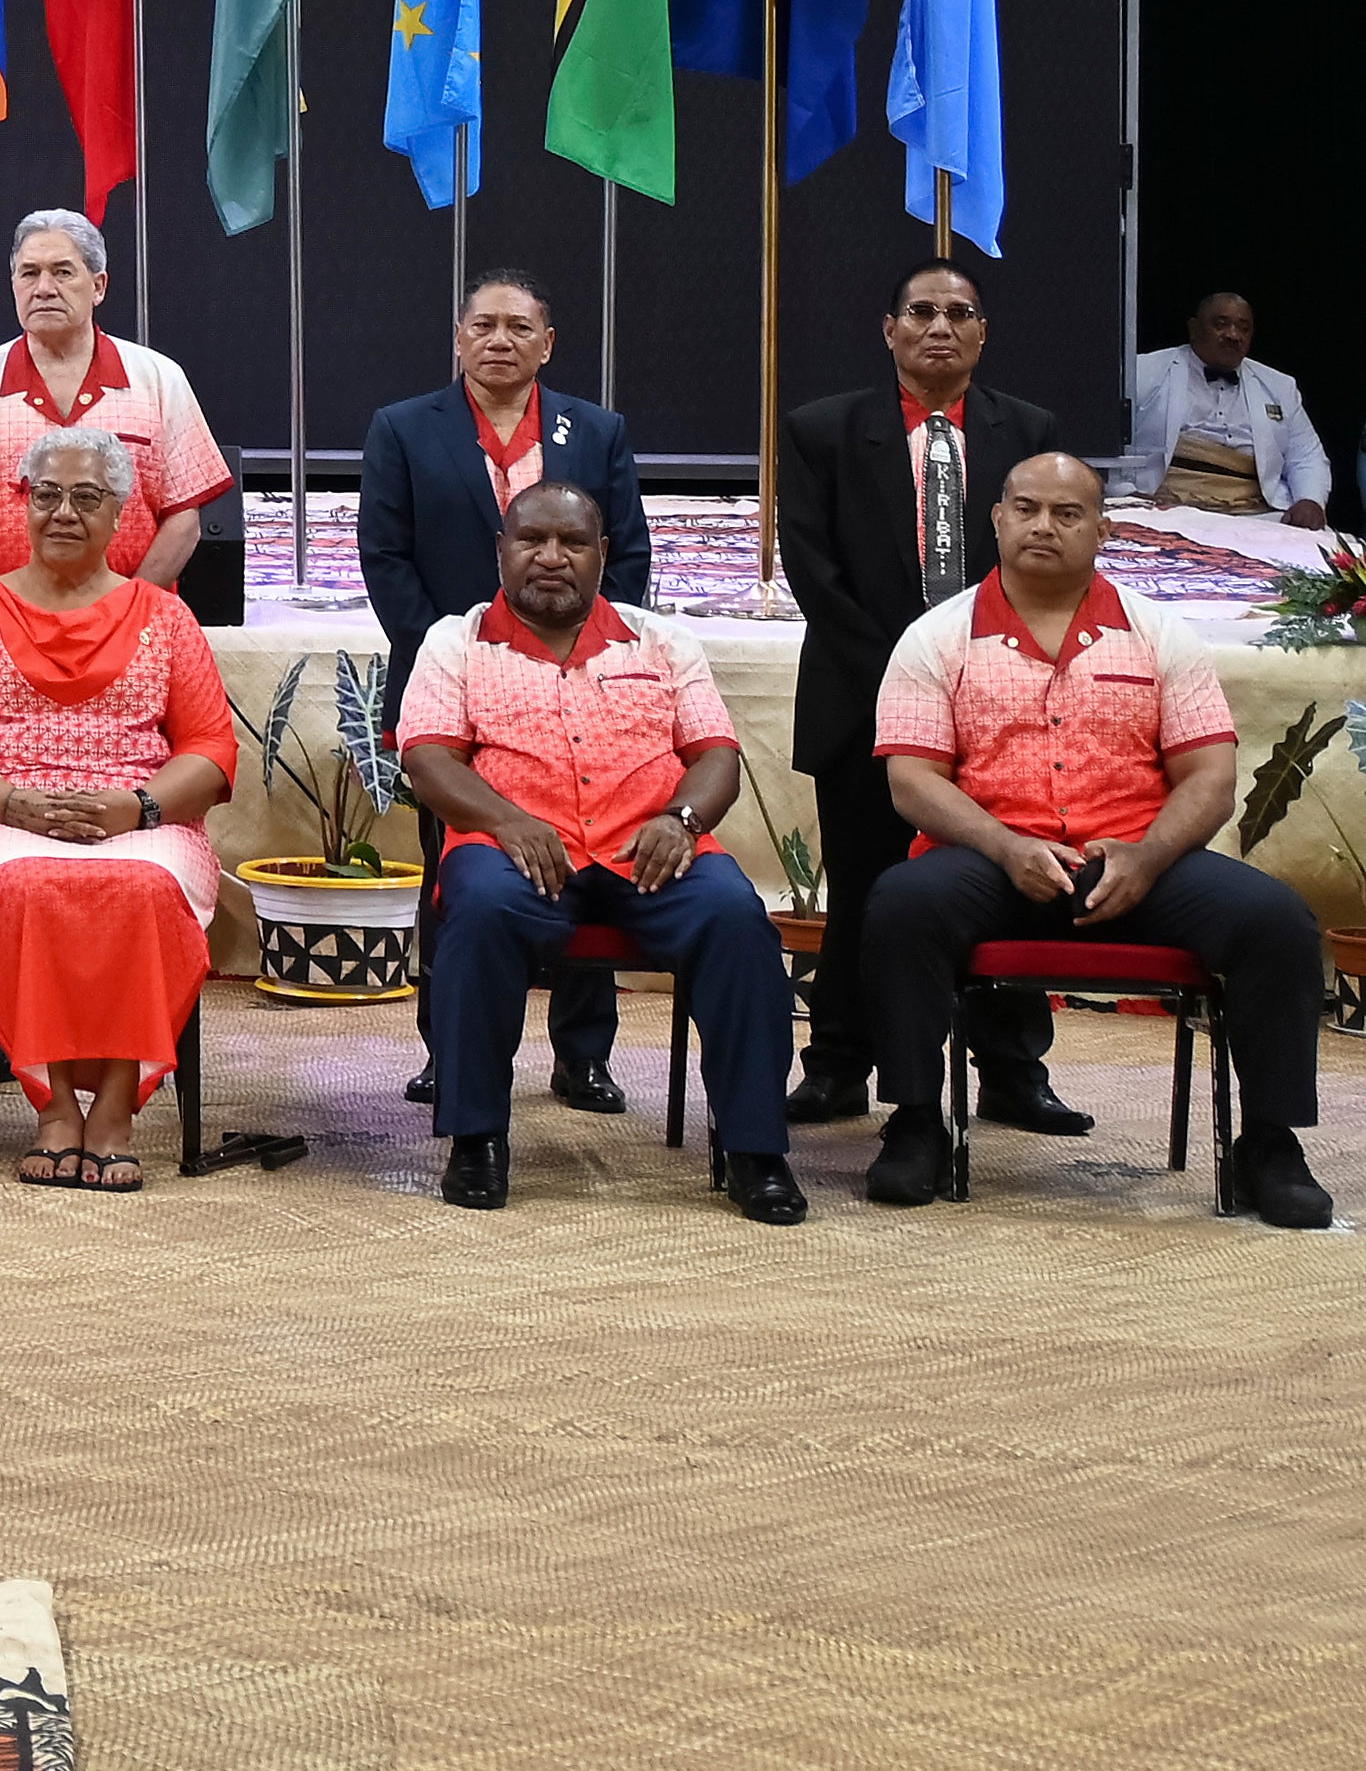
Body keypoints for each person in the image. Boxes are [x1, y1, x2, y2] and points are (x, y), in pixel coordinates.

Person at [858, 455, 1333, 1225]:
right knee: (902, 904)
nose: (1044, 524)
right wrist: (1006, 845)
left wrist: (1147, 857)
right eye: (1027, 507)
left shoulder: (1156, 633)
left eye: (1068, 512)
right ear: (998, 518)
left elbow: (1210, 776)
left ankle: (1270, 1145)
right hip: (992, 863)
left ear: (1104, 529)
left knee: (1275, 920)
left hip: (1135, 865)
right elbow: (912, 781)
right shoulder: (937, 636)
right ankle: (917, 1122)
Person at [391, 482, 806, 1223]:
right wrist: (507, 821)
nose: (551, 557)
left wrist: (682, 819)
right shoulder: (457, 639)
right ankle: (476, 1136)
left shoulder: (659, 639)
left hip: (651, 845)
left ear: (602, 554)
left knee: (737, 917)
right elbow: (427, 759)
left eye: (572, 542)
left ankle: (755, 1149)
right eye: (532, 540)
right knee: (479, 909)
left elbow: (716, 755)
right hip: (515, 848)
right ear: (501, 549)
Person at [771, 260, 1074, 1130]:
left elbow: (1044, 567)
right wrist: (914, 680)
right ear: (890, 328)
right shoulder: (825, 428)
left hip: (1001, 709)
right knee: (864, 890)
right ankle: (836, 1068)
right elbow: (815, 573)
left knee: (1005, 878)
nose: (939, 326)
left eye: (960, 312)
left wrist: (978, 683)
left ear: (982, 332)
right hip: (863, 700)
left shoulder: (1029, 430)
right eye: (922, 311)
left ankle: (1014, 1070)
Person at [0, 427, 240, 1192]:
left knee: (146, 889)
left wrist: (140, 807)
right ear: (21, 504)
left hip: (138, 818)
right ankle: (53, 1109)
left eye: (87, 497)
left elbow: (213, 749)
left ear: (122, 513)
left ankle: (115, 1112)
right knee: (26, 885)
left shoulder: (163, 614)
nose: (63, 511)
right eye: (46, 494)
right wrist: (12, 804)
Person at [356, 267, 656, 1108]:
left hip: (588, 691)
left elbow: (626, 555)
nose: (499, 340)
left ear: (547, 343)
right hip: (449, 690)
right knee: (450, 878)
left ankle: (582, 1054)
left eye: (518, 327)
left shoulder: (595, 430)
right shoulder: (405, 428)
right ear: (458, 336)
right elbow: (384, 557)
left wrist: (588, 655)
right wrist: (461, 655)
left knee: (589, 855)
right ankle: (449, 1052)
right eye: (482, 325)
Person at [0, 209, 235, 589]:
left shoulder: (158, 379)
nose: (43, 288)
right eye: (29, 273)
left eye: (62, 272)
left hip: (130, 629)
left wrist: (129, 614)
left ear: (98, 286)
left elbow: (184, 521)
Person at [1110, 291, 1328, 529]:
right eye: (1221, 325)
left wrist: (1310, 500)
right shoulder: (1143, 372)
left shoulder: (1279, 386)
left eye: (1243, 328)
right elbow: (1103, 445)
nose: (1233, 335)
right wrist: (1126, 494)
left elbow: (1306, 455)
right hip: (1161, 509)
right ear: (1193, 329)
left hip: (1256, 515)